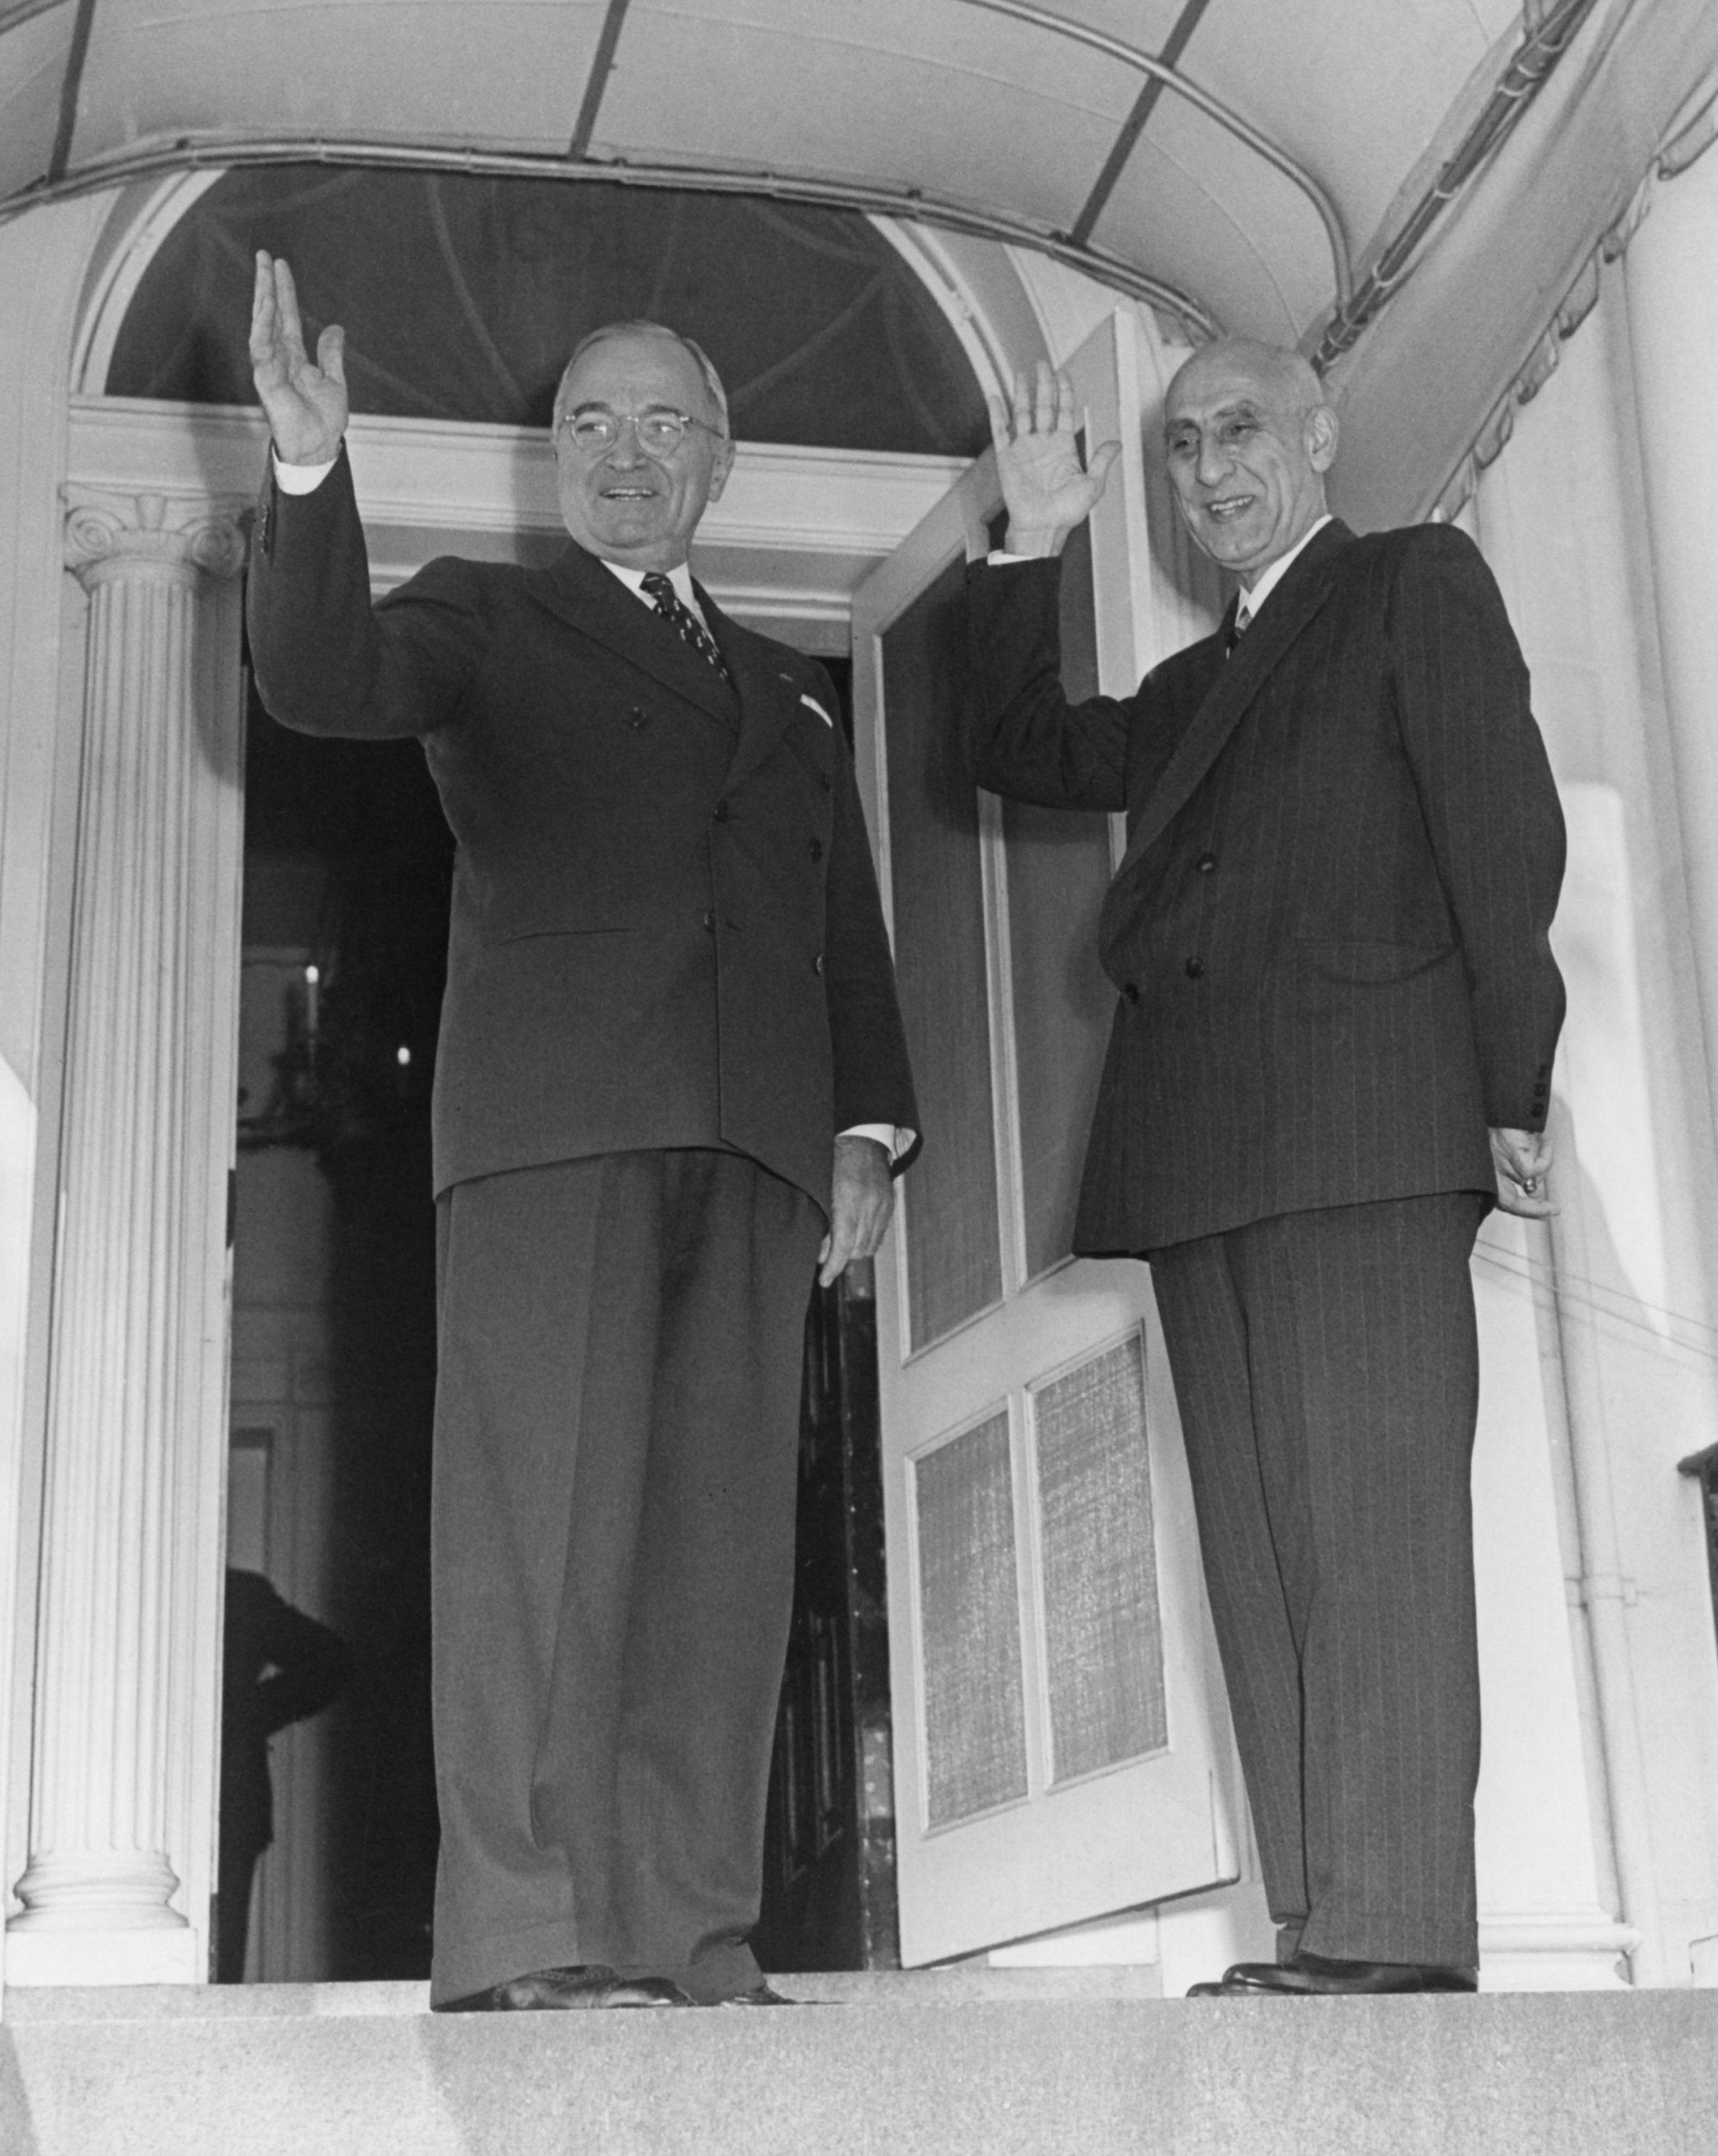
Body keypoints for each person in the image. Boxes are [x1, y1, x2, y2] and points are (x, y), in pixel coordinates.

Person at [246, 254, 919, 2012]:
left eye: (661, 423)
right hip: (556, 1126)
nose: (625, 453)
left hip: (760, 1146)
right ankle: (530, 1927)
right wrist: (315, 475)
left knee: (717, 1554)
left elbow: (836, 916)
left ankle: (688, 1925)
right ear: (558, 458)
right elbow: (325, 673)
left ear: (721, 461)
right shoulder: (488, 614)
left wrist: (865, 1128)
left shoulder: (791, 688)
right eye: (589, 422)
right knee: (539, 1533)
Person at [967, 343, 1564, 1997]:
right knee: (1261, 1552)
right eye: (1178, 449)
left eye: (1239, 432)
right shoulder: (1192, 689)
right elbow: (1016, 741)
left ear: (1315, 435)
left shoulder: (1405, 584)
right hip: (1204, 1151)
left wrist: (1511, 1080)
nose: (1209, 470)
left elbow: (1500, 832)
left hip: (1367, 1123)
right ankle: (1319, 1928)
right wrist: (1026, 537)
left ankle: (1395, 1934)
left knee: (1371, 1538)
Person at [217, 1568, 354, 1984]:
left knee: (219, 1971)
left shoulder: (235, 1593)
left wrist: (239, 1716)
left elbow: (330, 1661)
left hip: (229, 1800)